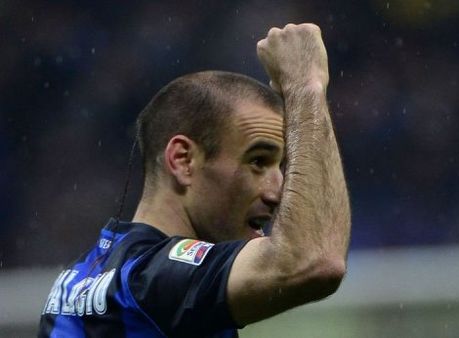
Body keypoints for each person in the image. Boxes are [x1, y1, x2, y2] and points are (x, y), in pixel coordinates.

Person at [38, 23, 351, 338]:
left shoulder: (81, 276)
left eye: (282, 166)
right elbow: (315, 260)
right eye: (257, 162)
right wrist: (305, 86)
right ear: (183, 160)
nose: (279, 192)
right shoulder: (153, 280)